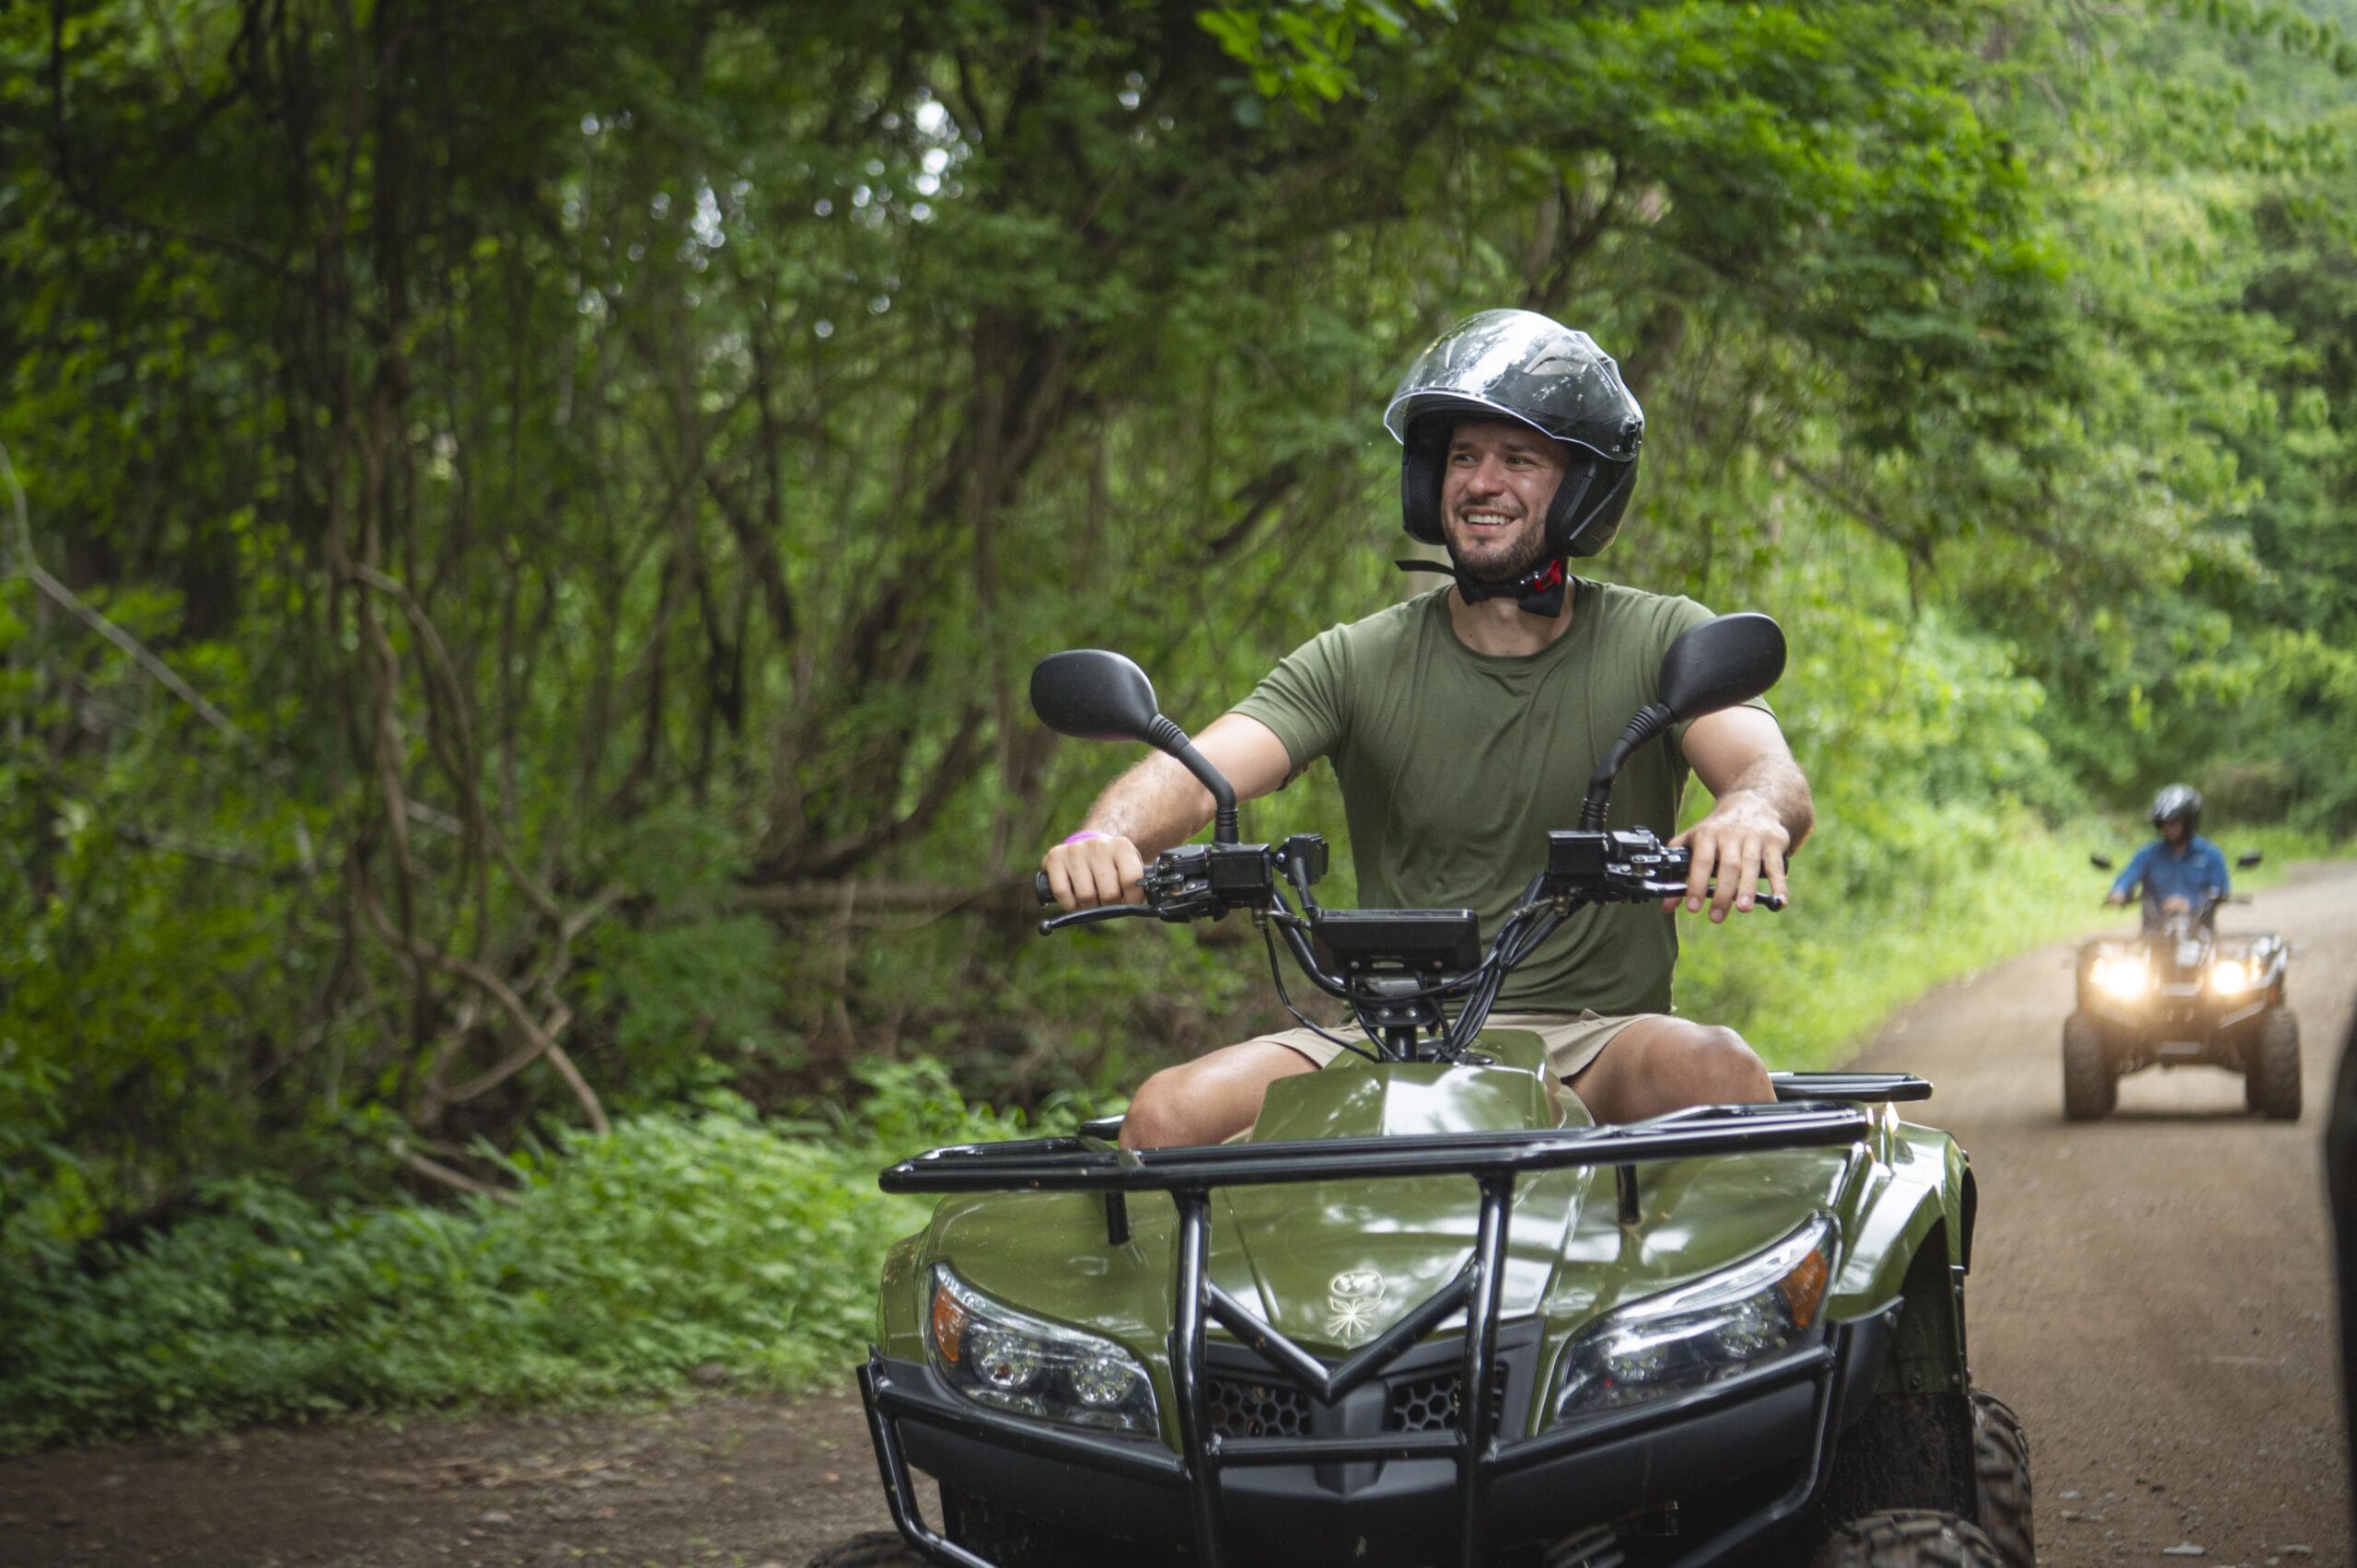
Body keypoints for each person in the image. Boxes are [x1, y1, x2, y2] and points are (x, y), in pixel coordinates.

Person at [1043, 308, 1814, 1151]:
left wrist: (1749, 813)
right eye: (1462, 457)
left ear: (1584, 486)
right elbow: (1201, 772)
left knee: (1718, 1069)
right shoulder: (1356, 658)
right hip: (1386, 1036)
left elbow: (1767, 772)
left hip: (1590, 1038)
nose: (1483, 482)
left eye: (1519, 458)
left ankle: (1729, 1289)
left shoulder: (1659, 638)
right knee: (1166, 1113)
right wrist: (1108, 833)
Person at [2106, 784, 2230, 930]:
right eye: (2163, 824)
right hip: (2155, 938)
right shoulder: (2148, 854)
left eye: (2173, 823)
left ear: (2189, 822)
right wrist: (2119, 890)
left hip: (2200, 938)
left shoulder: (2210, 854)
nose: (2167, 829)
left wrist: (2189, 903)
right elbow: (2129, 874)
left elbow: (2221, 891)